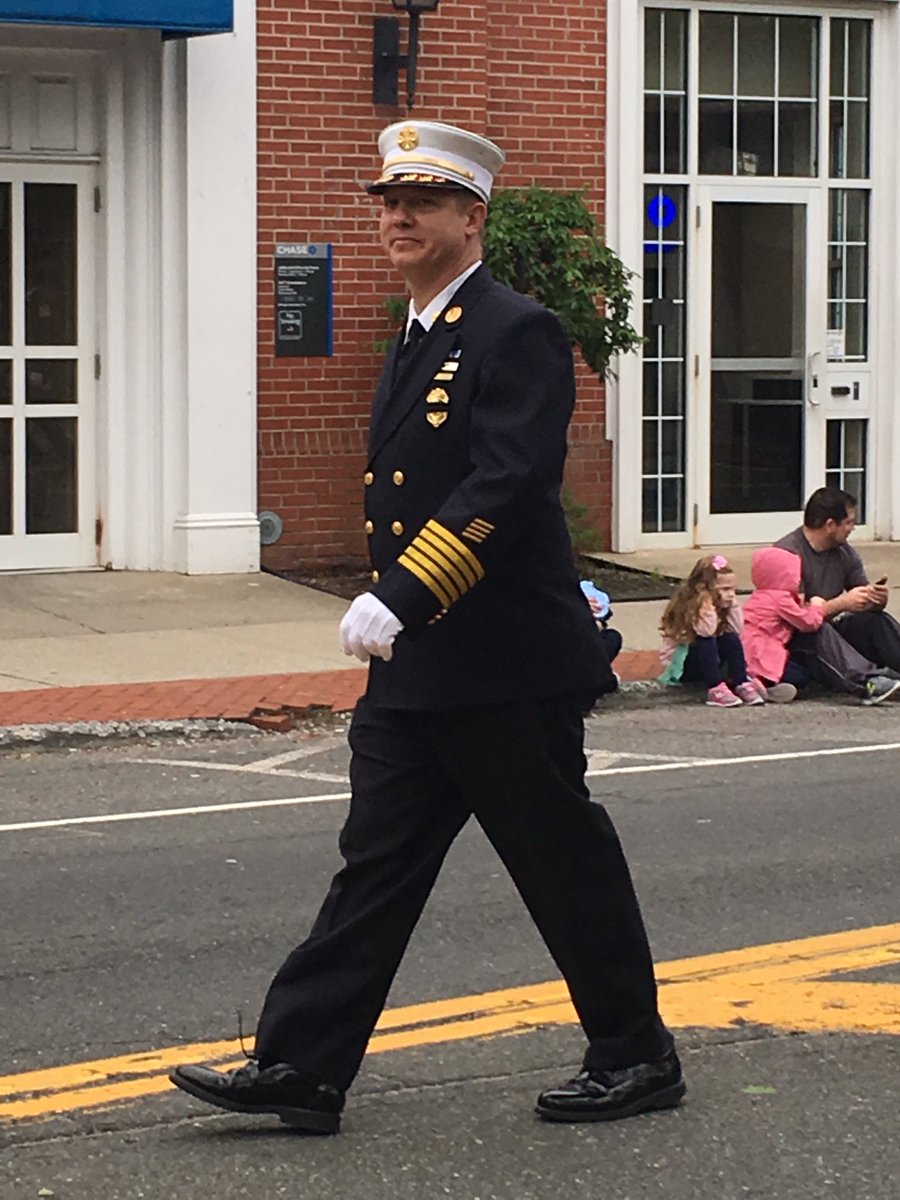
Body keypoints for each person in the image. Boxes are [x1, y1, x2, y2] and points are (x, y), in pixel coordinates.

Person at [169, 120, 684, 1132]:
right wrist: (403, 613)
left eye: (424, 201)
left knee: (559, 863)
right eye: (388, 201)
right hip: (423, 670)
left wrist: (401, 592)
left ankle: (637, 1054)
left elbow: (506, 483)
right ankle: (304, 1067)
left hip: (504, 667)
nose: (398, 216)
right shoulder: (419, 333)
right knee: (376, 865)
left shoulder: (513, 329)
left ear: (471, 217)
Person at [775, 487, 900, 705]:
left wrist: (874, 600)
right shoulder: (787, 554)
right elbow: (796, 619)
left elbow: (859, 595)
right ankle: (868, 682)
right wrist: (841, 603)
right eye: (849, 522)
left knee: (874, 622)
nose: (853, 528)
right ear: (830, 525)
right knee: (818, 630)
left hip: (830, 630)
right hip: (794, 641)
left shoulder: (844, 552)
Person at [659, 554, 765, 707]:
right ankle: (715, 689)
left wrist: (732, 605)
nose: (730, 593)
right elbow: (706, 632)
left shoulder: (724, 604)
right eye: (725, 589)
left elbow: (737, 629)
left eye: (733, 589)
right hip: (682, 668)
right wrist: (707, 605)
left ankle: (740, 682)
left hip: (709, 662)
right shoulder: (695, 607)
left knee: (730, 637)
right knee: (705, 641)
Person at [740, 546, 825, 702]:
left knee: (757, 669)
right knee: (802, 676)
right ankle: (762, 687)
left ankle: (749, 685)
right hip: (765, 649)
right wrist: (817, 607)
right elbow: (809, 623)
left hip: (747, 646)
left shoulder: (759, 594)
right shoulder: (780, 599)